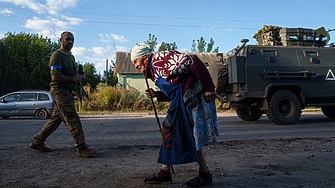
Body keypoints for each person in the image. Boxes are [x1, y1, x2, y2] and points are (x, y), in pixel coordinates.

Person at [130, 43, 219, 187]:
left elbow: (193, 60)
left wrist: (209, 87)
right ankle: (168, 171)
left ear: (145, 57)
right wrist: (157, 94)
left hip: (194, 97)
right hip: (183, 100)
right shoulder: (154, 72)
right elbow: (176, 91)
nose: (135, 65)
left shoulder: (159, 61)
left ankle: (203, 174)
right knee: (171, 130)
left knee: (185, 133)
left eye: (136, 61)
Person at [29, 31, 96, 158]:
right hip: (59, 90)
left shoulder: (71, 57)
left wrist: (79, 76)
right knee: (72, 117)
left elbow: (71, 75)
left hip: (67, 91)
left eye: (72, 40)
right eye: (67, 39)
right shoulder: (56, 55)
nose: (70, 42)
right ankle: (81, 147)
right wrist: (73, 79)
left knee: (56, 119)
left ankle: (38, 141)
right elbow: (55, 77)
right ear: (61, 40)